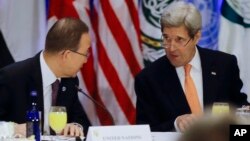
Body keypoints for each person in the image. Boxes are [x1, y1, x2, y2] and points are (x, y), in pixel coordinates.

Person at [135, 1, 249, 133]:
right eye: (166, 38)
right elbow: (145, 131)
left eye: (179, 39)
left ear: (196, 37)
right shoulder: (148, 78)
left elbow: (239, 108)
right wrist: (176, 124)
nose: (171, 48)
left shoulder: (224, 65)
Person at [0, 17, 91, 137]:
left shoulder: (70, 81)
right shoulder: (12, 77)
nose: (85, 60)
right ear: (67, 55)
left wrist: (75, 126)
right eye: (85, 54)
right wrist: (12, 129)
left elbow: (80, 119)